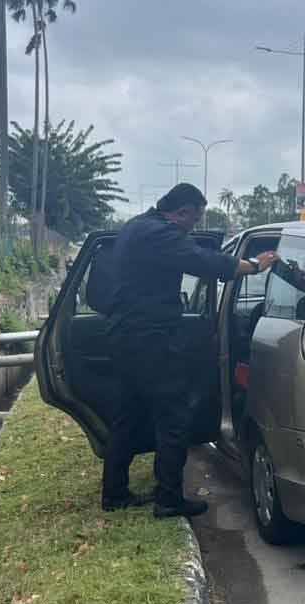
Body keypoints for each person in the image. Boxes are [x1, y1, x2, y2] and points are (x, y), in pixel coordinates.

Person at [102, 183, 278, 517]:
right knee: (172, 417)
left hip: (125, 338)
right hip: (150, 340)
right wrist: (254, 266)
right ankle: (168, 499)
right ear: (182, 212)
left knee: (127, 417)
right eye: (194, 220)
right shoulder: (162, 234)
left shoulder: (136, 227)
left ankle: (115, 493)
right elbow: (205, 262)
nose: (192, 227)